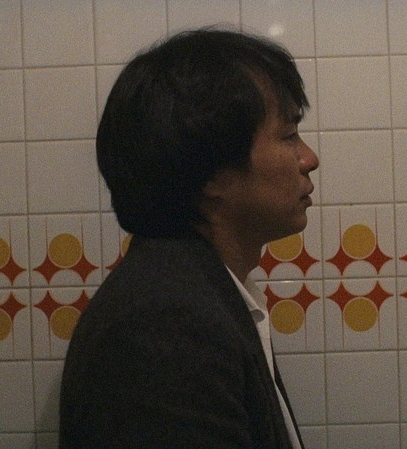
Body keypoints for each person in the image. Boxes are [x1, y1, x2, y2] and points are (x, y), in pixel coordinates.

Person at [59, 27, 318, 449]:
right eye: (289, 135)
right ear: (213, 174)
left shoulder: (195, 292)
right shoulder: (166, 326)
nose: (309, 158)